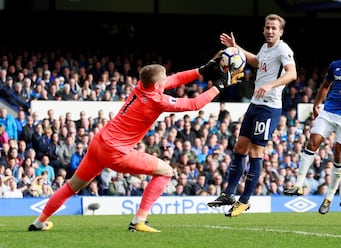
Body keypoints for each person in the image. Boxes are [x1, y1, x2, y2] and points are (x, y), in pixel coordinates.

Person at [28, 56, 231, 233]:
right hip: (115, 152)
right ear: (157, 84)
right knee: (166, 171)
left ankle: (39, 222)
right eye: (163, 79)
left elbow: (175, 79)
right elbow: (194, 104)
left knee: (71, 187)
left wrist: (203, 69)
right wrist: (220, 85)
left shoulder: (141, 86)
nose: (167, 80)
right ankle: (139, 221)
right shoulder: (156, 100)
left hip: (98, 143)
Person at [207, 13, 297, 217]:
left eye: (274, 28)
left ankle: (244, 201)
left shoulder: (283, 49)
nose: (270, 30)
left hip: (269, 108)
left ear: (281, 31)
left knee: (256, 152)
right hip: (255, 105)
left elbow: (292, 74)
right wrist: (236, 47)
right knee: (240, 147)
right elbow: (257, 62)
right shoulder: (266, 48)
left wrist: (270, 85)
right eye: (267, 27)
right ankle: (228, 194)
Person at [283, 33, 341, 215]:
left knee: (339, 156)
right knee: (312, 142)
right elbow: (325, 86)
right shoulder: (335, 66)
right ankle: (298, 183)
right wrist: (316, 104)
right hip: (328, 112)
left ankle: (329, 197)